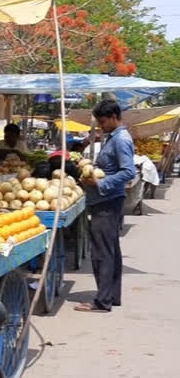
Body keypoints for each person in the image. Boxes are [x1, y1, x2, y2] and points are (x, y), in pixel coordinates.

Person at [75, 99, 137, 313]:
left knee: (101, 251)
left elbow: (129, 172)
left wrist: (100, 183)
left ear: (113, 117)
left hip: (107, 201)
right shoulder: (114, 137)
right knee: (111, 250)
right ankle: (112, 296)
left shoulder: (121, 140)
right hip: (105, 199)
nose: (101, 126)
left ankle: (102, 301)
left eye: (103, 122)